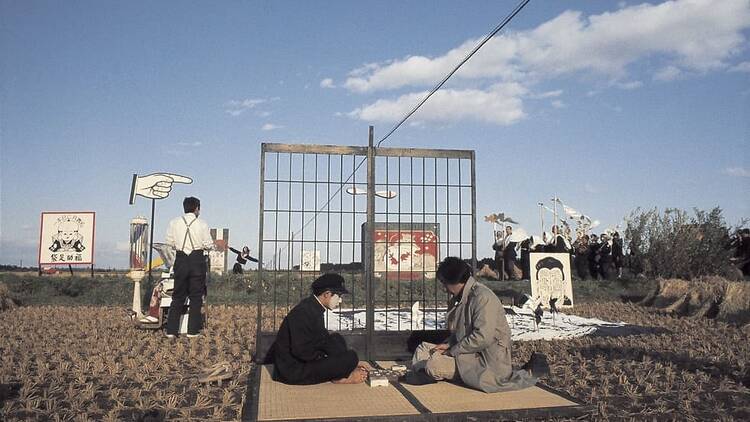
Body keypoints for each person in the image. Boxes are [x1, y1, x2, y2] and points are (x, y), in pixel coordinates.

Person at [405, 257, 548, 392]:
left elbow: (482, 338)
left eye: (444, 283)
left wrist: (451, 351)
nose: (444, 288)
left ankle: (428, 371)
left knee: (434, 364)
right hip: (467, 352)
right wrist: (449, 344)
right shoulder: (462, 297)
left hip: (484, 361)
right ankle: (426, 372)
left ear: (453, 281)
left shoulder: (482, 298)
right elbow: (463, 332)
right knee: (423, 348)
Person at [272, 273, 367, 385]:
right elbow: (301, 351)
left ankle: (341, 370)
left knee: (337, 339)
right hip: (293, 371)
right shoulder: (303, 312)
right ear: (327, 294)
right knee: (351, 357)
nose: (340, 301)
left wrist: (335, 358)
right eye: (339, 296)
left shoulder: (313, 307)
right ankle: (340, 377)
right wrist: (329, 360)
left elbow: (322, 339)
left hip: (301, 363)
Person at [164, 196, 225, 338]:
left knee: (178, 295)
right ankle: (192, 331)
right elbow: (208, 245)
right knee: (196, 296)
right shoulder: (202, 224)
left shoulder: (174, 222)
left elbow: (169, 243)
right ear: (197, 208)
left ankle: (171, 331)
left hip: (180, 259)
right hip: (197, 260)